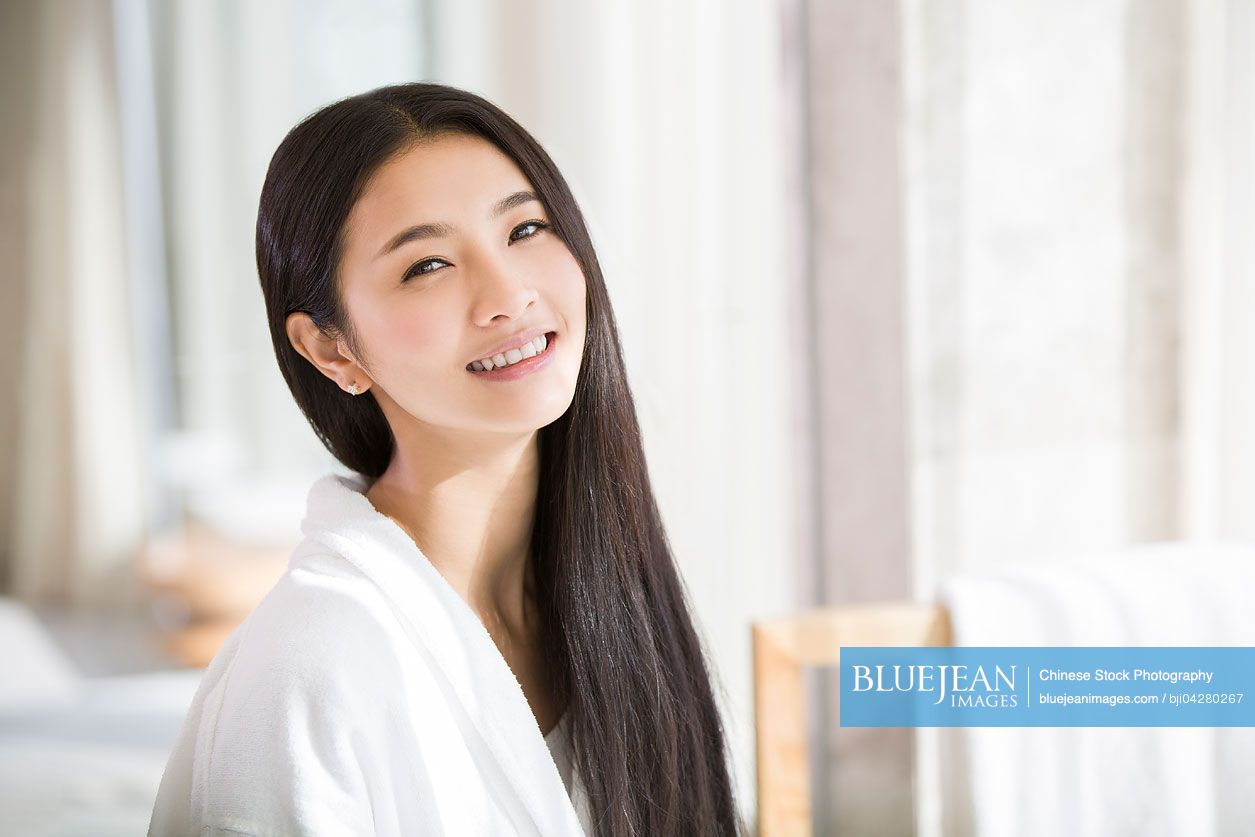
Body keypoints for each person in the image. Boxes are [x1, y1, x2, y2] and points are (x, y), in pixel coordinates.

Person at [148, 82, 742, 836]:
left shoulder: (611, 598)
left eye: (524, 229)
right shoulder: (310, 664)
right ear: (331, 349)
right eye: (427, 265)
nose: (507, 295)